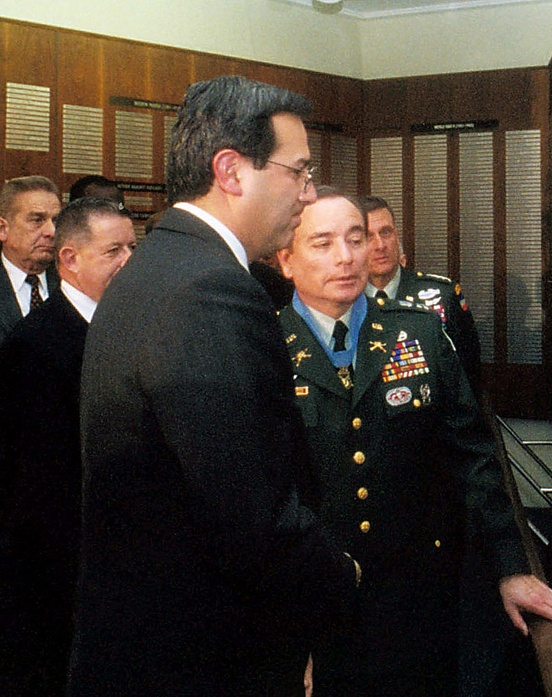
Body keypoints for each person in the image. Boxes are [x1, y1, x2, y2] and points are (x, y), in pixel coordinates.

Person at [67, 76, 360, 695]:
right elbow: (251, 509)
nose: (307, 196)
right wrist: (342, 575)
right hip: (197, 656)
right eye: (299, 173)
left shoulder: (159, 265)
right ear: (231, 170)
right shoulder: (207, 290)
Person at [276, 187, 552, 695]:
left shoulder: (421, 336)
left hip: (417, 598)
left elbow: (474, 462)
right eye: (322, 244)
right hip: (311, 603)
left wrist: (510, 567)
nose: (346, 257)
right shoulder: (264, 347)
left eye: (356, 239)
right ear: (286, 259)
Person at [0, 197, 134, 695]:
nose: (127, 262)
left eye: (132, 249)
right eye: (113, 251)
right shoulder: (36, 345)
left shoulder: (129, 327)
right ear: (70, 259)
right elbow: (34, 487)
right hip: (58, 577)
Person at [358, 195, 483, 392]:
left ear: (397, 236)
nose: (380, 245)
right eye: (368, 236)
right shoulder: (344, 301)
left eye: (386, 232)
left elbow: (469, 373)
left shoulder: (442, 294)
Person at [0, 176, 61, 344]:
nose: (51, 231)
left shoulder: (72, 282)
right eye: (37, 220)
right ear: (3, 229)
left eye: (56, 221)